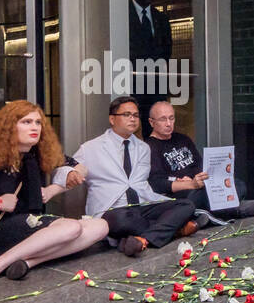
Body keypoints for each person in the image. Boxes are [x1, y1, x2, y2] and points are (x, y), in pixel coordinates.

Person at [0, 100, 108, 282]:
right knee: (71, 228)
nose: (35, 127)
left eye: (38, 122)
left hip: (31, 227)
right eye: (26, 122)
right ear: (9, 127)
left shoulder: (37, 153)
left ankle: (27, 262)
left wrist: (53, 190)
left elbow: (82, 168)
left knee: (101, 226)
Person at [71, 96, 197, 257]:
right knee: (123, 219)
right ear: (112, 119)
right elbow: (66, 168)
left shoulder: (143, 148)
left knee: (186, 205)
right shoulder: (91, 148)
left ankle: (141, 239)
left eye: (136, 115)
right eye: (127, 115)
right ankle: (175, 231)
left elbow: (140, 183)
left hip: (142, 205)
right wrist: (70, 173)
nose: (132, 119)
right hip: (113, 209)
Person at [145, 100, 254, 223]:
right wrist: (184, 182)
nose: (169, 123)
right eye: (163, 119)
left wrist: (205, 176)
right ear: (152, 122)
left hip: (200, 185)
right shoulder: (149, 147)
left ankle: (205, 215)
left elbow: (199, 165)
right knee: (196, 197)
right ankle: (237, 210)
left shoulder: (183, 139)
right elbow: (156, 183)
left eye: (171, 118)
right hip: (180, 193)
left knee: (238, 184)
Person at [129, 0, 173, 133]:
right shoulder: (121, 16)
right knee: (128, 129)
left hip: (156, 84)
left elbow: (167, 51)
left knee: (155, 131)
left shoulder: (161, 19)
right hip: (130, 82)